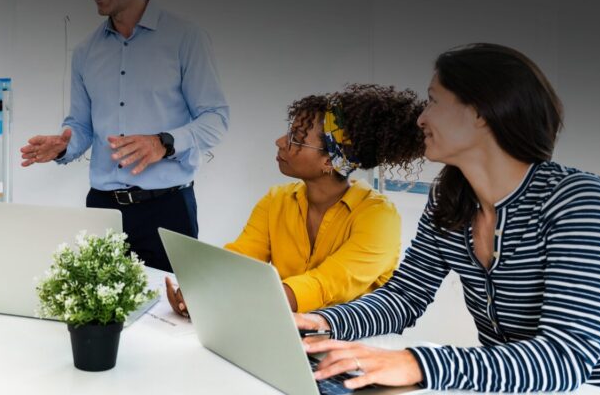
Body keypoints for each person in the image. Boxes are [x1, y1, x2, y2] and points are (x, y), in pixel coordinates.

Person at [297, 44, 600, 394]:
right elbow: (406, 295)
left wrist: (418, 362)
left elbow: (565, 357)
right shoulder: (448, 200)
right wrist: (323, 322)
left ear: (480, 111)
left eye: (434, 100)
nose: (421, 118)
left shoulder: (576, 200)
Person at [20, 0, 229, 271]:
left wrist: (163, 142)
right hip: (103, 209)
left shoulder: (185, 38)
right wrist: (64, 145)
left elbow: (215, 119)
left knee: (173, 317)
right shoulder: (85, 52)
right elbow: (81, 126)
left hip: (167, 209)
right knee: (102, 318)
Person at [165, 84, 426, 316]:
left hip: (351, 347)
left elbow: (326, 284)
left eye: (296, 140)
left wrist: (223, 297)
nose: (279, 142)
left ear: (329, 160)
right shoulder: (276, 200)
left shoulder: (378, 217)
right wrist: (200, 288)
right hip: (284, 328)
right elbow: (240, 259)